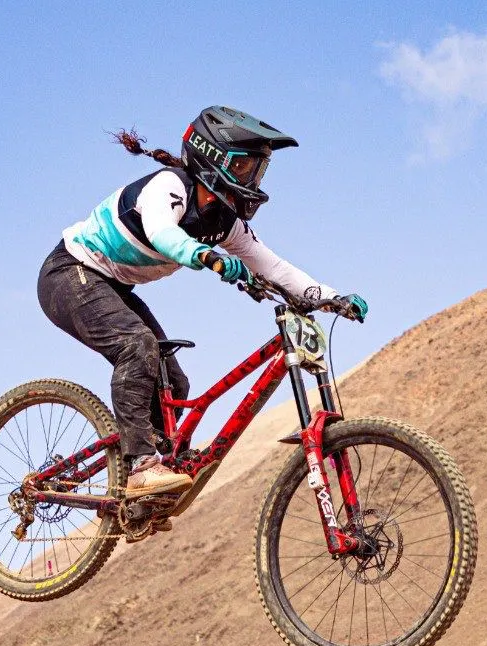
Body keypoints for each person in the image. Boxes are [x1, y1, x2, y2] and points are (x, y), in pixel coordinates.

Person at [38, 105, 367, 497]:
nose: (253, 179)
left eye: (258, 170)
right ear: (213, 158)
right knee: (137, 346)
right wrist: (208, 257)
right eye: (245, 167)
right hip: (69, 273)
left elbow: (273, 267)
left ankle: (145, 499)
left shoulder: (224, 223)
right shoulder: (169, 187)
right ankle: (141, 467)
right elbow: (162, 233)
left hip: (112, 285)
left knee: (174, 383)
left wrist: (330, 297)